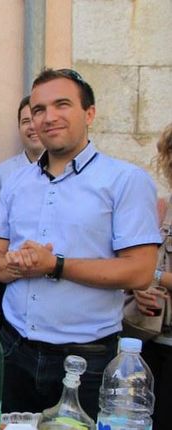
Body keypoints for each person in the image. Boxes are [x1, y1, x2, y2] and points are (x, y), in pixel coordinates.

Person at [0, 68, 160, 418]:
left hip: (86, 361)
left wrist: (56, 265)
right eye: (39, 109)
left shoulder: (124, 181)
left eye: (62, 104)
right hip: (14, 350)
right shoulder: (15, 183)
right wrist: (21, 264)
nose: (48, 117)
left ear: (89, 113)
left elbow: (140, 271)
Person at [133, 122, 172, 428]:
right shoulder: (160, 207)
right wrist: (136, 287)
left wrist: (150, 275)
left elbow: (144, 269)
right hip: (148, 338)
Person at [0, 96, 45, 217]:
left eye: (36, 120)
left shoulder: (66, 170)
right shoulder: (0, 174)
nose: (32, 127)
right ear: (19, 128)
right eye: (25, 121)